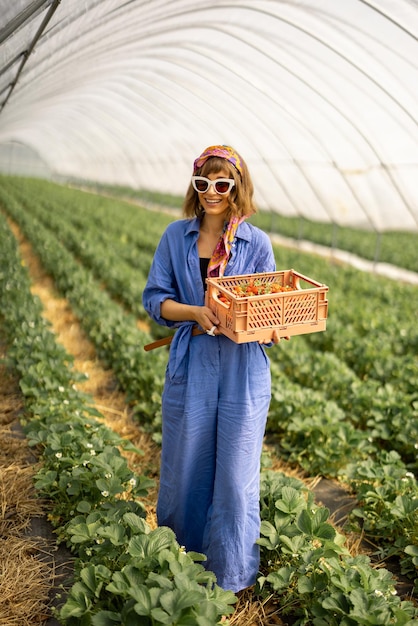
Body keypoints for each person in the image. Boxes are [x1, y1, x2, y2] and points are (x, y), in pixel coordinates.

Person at [142, 144, 283, 593]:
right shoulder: (175, 236)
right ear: (195, 186)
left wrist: (272, 326)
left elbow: (268, 307)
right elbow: (155, 299)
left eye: (223, 184)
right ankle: (181, 566)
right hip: (193, 363)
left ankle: (228, 579)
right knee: (186, 469)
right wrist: (194, 312)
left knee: (237, 479)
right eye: (204, 183)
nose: (212, 192)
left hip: (243, 372)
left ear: (237, 187)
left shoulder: (256, 243)